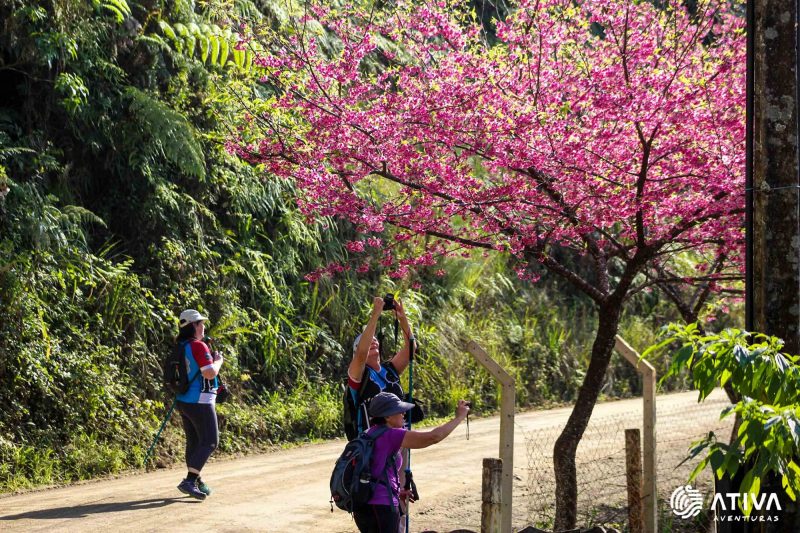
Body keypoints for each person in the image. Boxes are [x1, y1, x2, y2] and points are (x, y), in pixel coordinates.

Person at [353, 392, 470, 533]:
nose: (403, 413)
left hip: (365, 505)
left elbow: (374, 471)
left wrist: (396, 491)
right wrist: (459, 417)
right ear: (387, 417)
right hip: (381, 506)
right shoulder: (390, 434)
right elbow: (433, 437)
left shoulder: (370, 433)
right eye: (399, 410)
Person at [347, 296, 415, 439]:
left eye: (374, 339)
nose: (372, 341)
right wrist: (375, 315)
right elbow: (361, 354)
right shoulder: (358, 375)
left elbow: (411, 348)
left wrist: (402, 319)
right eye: (366, 341)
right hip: (372, 444)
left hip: (399, 439)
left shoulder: (390, 369)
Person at [173, 309, 223, 500]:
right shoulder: (198, 346)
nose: (203, 327)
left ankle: (197, 480)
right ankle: (190, 480)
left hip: (184, 400)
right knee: (210, 441)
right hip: (200, 400)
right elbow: (209, 373)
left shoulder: (180, 345)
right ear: (194, 326)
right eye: (201, 323)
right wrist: (219, 362)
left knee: (194, 442)